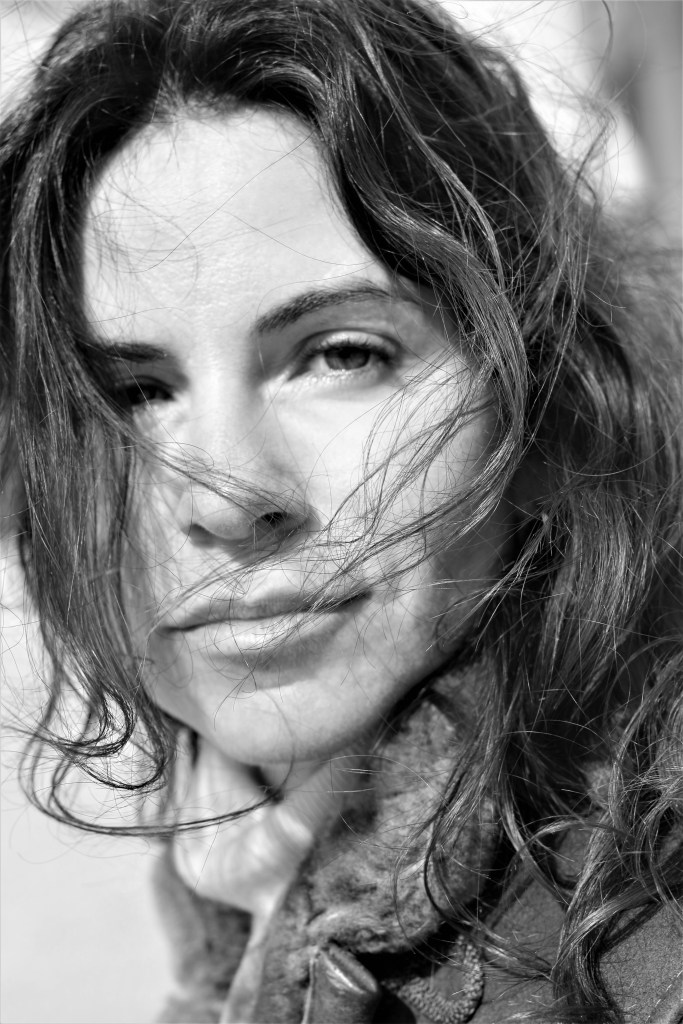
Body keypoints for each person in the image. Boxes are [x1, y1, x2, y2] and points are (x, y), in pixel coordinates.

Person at [1, 1, 681, 1022]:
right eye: (131, 393)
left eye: (342, 355)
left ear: (545, 410)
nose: (228, 496)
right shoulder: (237, 851)